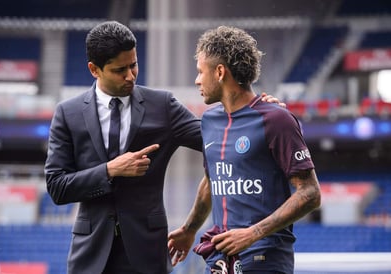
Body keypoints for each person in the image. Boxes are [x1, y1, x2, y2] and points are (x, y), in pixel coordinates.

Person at [44, 21, 284, 274]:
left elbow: (221, 140)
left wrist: (259, 114)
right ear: (95, 69)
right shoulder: (67, 113)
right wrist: (109, 170)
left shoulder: (162, 106)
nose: (130, 75)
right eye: (119, 70)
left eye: (134, 65)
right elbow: (58, 187)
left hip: (147, 255)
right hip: (90, 257)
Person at [167, 26, 321, 274]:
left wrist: (253, 233)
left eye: (199, 72)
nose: (196, 80)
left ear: (219, 72)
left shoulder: (276, 119)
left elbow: (311, 193)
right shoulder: (209, 121)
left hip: (265, 258)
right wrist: (189, 229)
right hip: (221, 259)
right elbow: (211, 181)